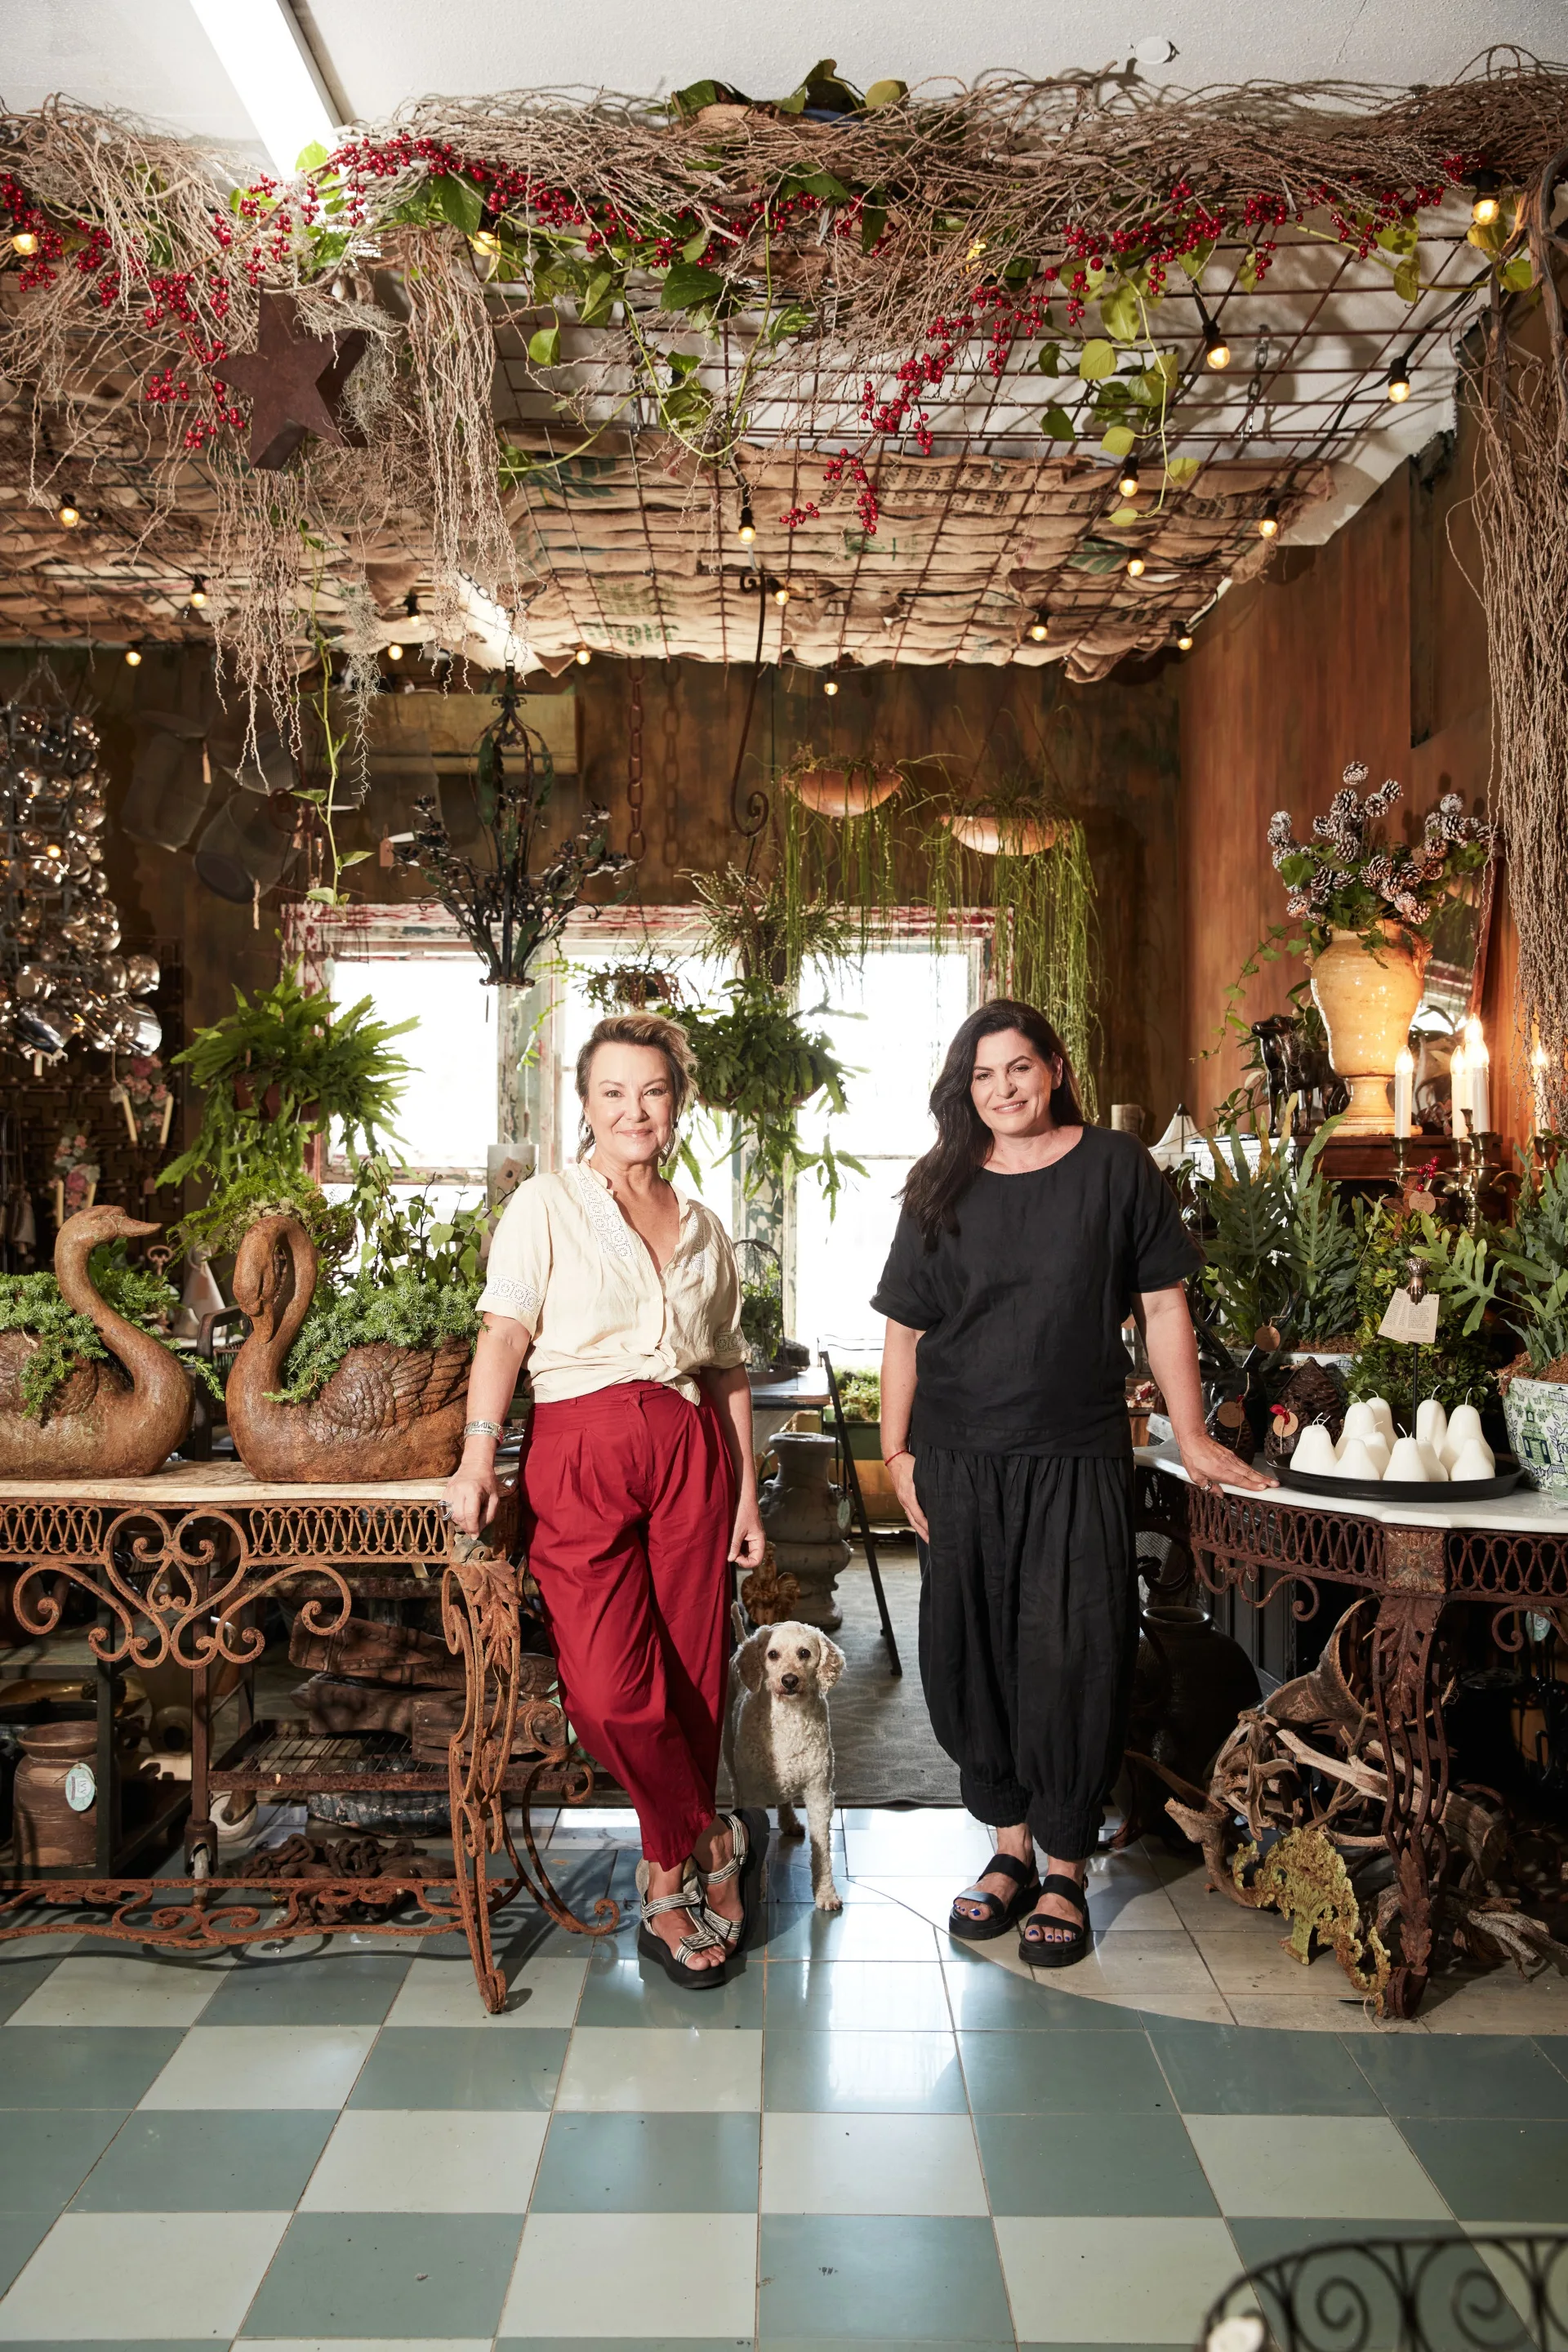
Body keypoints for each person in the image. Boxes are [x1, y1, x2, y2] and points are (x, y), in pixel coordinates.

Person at [872, 999, 1272, 1967]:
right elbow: (904, 1330)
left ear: (1052, 1067)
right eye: (982, 1075)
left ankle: (1063, 1865)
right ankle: (1005, 1849)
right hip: (959, 1455)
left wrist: (1191, 1434)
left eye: (1018, 1067)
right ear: (964, 1088)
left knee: (1072, 1652)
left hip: (1074, 1453)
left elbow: (1163, 1303)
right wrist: (895, 1456)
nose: (1002, 1088)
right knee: (969, 1652)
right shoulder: (941, 1183)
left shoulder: (1114, 1167)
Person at [446, 1011, 768, 1988]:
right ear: (583, 1105)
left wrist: (747, 1495)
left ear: (678, 1106)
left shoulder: (704, 1226)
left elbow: (725, 1372)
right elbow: (503, 1333)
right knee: (609, 1690)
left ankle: (664, 1880)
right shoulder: (546, 1204)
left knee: (693, 1675)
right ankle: (706, 1842)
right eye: (614, 1092)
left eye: (654, 1092)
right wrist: (475, 1457)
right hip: (579, 1446)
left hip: (690, 1452)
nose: (635, 1110)